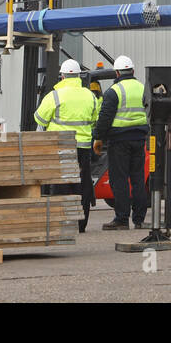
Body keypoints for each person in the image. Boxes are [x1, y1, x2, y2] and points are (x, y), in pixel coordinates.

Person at [34, 59, 100, 232]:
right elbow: (94, 120)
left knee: (61, 184)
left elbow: (40, 119)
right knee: (82, 185)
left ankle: (61, 223)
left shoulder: (54, 96)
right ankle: (80, 224)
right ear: (78, 76)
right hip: (83, 148)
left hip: (61, 147)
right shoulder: (90, 96)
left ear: (62, 76)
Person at [93, 55, 149, 231]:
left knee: (120, 180)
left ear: (117, 72)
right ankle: (139, 220)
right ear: (132, 71)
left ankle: (122, 219)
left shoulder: (114, 91)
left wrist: (98, 137)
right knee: (138, 179)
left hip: (119, 141)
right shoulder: (142, 88)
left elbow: (104, 119)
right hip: (140, 139)